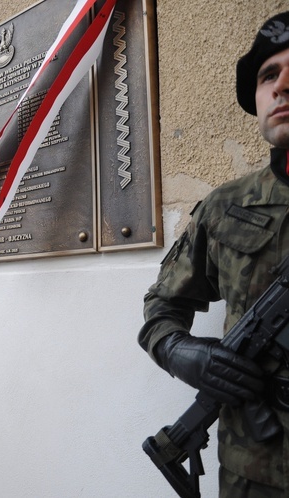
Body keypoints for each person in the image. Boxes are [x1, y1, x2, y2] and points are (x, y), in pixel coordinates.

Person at [139, 11, 289, 495]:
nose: (282, 85)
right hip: (252, 475)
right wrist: (185, 354)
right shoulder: (224, 208)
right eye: (270, 74)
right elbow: (161, 309)